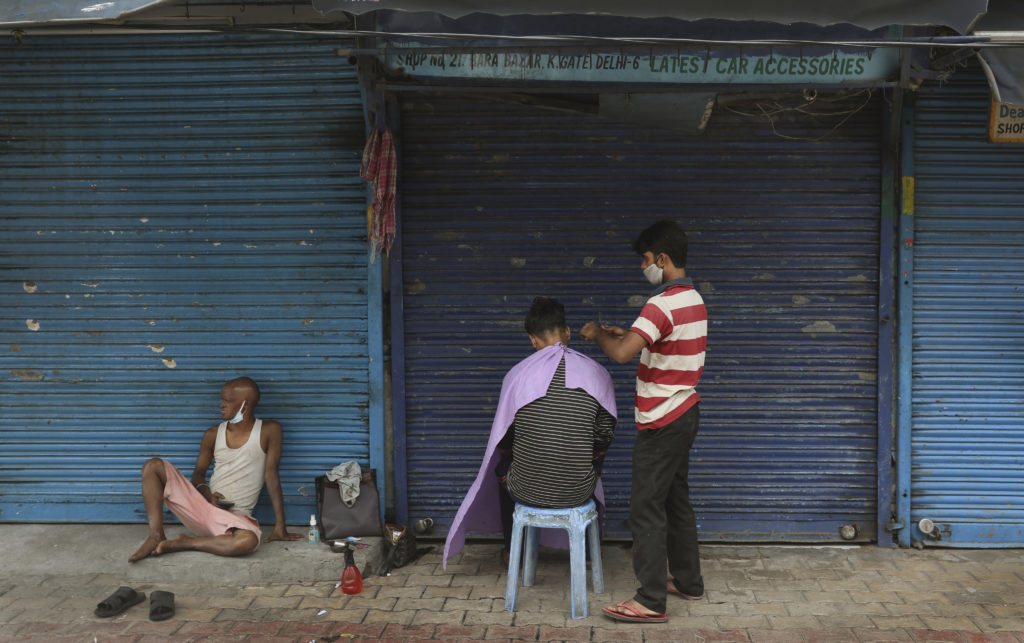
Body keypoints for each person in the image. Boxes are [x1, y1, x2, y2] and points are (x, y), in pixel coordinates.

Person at [579, 220, 707, 624]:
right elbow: (659, 343)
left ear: (663, 259)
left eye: (646, 260)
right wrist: (626, 332)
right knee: (676, 500)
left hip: (661, 420)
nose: (643, 267)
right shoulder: (694, 300)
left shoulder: (661, 304)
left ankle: (650, 600)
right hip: (685, 412)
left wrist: (599, 333)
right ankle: (688, 581)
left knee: (645, 507)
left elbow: (620, 355)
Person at [443, 296, 617, 568]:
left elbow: (505, 439)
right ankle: (587, 552)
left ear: (532, 339)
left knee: (502, 468)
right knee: (590, 466)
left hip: (525, 489)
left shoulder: (517, 375)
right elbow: (604, 436)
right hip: (579, 490)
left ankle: (513, 552)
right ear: (567, 332)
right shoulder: (598, 373)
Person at [128, 377, 301, 561]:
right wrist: (207, 494)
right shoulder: (212, 434)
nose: (222, 405)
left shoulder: (269, 430)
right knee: (153, 466)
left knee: (248, 541)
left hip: (233, 518)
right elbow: (198, 475)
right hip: (201, 506)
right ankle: (156, 535)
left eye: (229, 401)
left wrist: (279, 525)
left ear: (245, 404)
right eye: (222, 399)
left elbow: (271, 475)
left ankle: (185, 543)